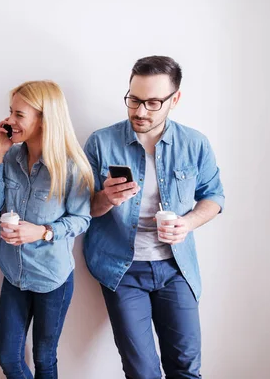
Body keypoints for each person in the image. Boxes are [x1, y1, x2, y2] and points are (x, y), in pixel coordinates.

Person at [83, 56, 225, 378]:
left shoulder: (194, 143)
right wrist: (106, 198)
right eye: (133, 99)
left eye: (152, 102)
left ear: (174, 100)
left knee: (186, 367)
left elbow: (214, 196)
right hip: (121, 269)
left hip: (177, 267)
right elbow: (82, 210)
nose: (140, 111)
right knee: (142, 372)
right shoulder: (101, 142)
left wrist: (187, 223)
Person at [0, 80, 94, 379]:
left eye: (19, 114)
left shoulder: (73, 167)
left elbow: (82, 219)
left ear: (44, 119)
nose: (9, 120)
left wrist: (43, 231)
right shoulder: (9, 158)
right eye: (11, 112)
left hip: (52, 278)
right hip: (13, 273)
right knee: (8, 357)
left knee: (45, 359)